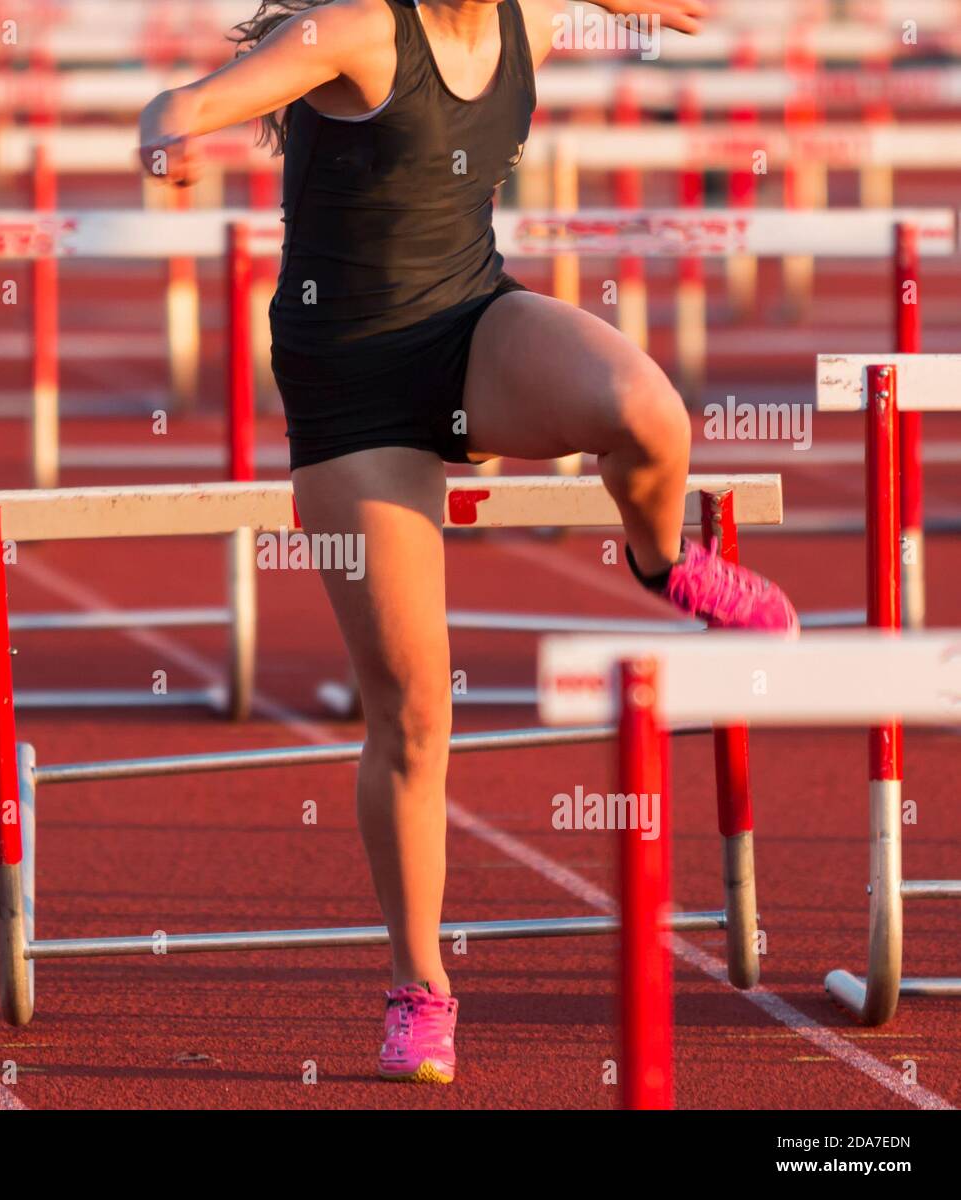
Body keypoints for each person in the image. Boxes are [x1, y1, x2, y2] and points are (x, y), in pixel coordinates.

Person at [140, 0, 796, 1085]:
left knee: (647, 412)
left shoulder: (524, 13)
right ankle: (418, 986)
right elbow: (193, 99)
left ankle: (659, 558)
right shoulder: (354, 31)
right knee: (413, 708)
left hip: (468, 328)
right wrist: (165, 138)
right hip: (353, 388)